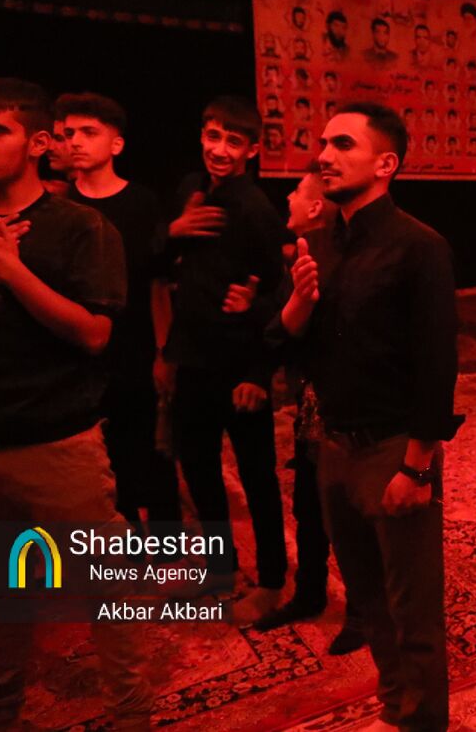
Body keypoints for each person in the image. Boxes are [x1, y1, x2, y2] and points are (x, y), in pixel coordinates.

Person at [273, 102, 462, 731]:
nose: (324, 155)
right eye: (323, 143)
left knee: (413, 613)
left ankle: (423, 721)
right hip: (333, 449)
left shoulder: (420, 247)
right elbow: (288, 346)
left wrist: (417, 467)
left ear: (386, 164)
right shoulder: (321, 245)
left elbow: (437, 366)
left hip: (392, 449)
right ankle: (395, 708)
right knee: (370, 602)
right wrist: (297, 304)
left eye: (343, 144)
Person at [0, 78, 154, 730]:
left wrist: (9, 269)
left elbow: (94, 333)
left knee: (106, 588)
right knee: (3, 592)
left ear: (36, 143)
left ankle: (131, 715)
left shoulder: (81, 227)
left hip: (58, 445)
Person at [163, 96, 289, 624]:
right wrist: (172, 232)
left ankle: (273, 581)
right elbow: (166, 269)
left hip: (239, 367)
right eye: (213, 136)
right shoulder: (191, 189)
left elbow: (282, 292)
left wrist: (259, 373)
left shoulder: (255, 209)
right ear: (201, 136)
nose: (219, 149)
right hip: (193, 359)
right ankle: (219, 574)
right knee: (199, 470)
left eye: (233, 141)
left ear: (252, 150)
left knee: (258, 477)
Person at [252, 169, 365, 656]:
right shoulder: (301, 255)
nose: (288, 197)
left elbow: (295, 333)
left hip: (341, 408)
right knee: (309, 506)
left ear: (316, 206)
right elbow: (279, 329)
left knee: (346, 513)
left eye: (297, 191)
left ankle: (361, 611)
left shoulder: (330, 255)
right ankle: (311, 593)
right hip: (312, 407)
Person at [57, 92, 181, 531]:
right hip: (80, 356)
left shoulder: (141, 202)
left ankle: (167, 546)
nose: (76, 141)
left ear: (116, 144)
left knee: (152, 450)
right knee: (97, 461)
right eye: (69, 133)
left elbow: (157, 282)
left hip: (136, 347)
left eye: (89, 132)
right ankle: (123, 546)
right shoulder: (61, 207)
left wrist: (164, 352)